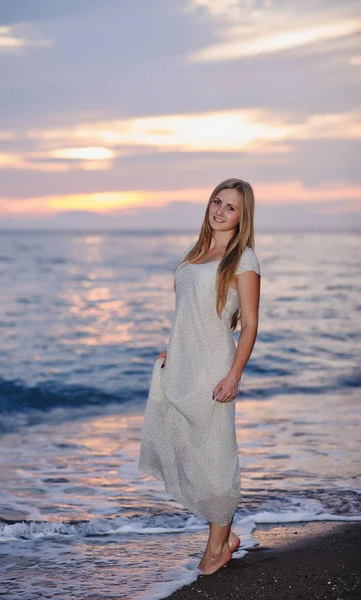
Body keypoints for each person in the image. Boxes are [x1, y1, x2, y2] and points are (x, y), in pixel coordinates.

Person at [138, 178, 261, 575]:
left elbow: (250, 325)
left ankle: (215, 549)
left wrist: (234, 375)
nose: (220, 211)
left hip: (214, 368)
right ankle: (224, 536)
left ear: (243, 218)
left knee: (217, 456)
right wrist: (173, 350)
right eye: (217, 202)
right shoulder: (196, 253)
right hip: (185, 362)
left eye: (230, 208)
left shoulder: (243, 260)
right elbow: (187, 314)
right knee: (191, 450)